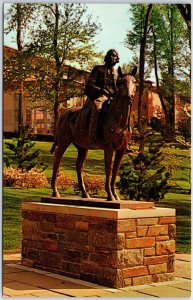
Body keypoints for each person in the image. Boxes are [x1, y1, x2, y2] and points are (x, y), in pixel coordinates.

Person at [84, 49, 120, 149]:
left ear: (117, 59)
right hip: (99, 96)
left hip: (112, 98)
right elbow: (89, 85)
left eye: (115, 56)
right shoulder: (98, 69)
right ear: (106, 57)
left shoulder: (116, 73)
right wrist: (101, 90)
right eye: (111, 55)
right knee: (97, 109)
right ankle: (92, 139)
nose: (112, 58)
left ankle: (123, 140)